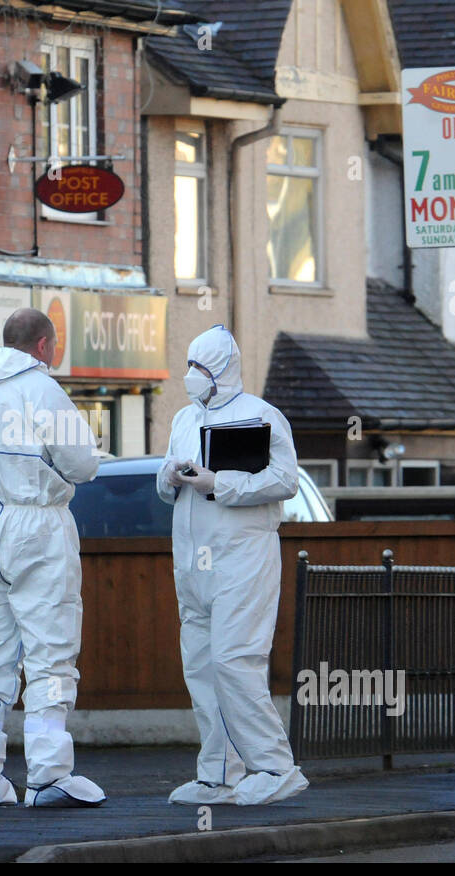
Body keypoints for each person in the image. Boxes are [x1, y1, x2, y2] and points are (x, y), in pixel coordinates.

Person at [0, 308, 105, 807]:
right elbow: (84, 465)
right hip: (35, 524)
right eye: (53, 348)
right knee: (49, 650)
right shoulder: (42, 390)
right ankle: (49, 774)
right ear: (42, 346)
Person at [155, 324, 309, 806]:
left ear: (222, 369)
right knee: (200, 664)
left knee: (235, 660)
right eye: (189, 366)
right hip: (192, 561)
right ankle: (218, 772)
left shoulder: (261, 416)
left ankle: (274, 766)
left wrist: (219, 482)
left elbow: (286, 480)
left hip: (243, 557)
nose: (191, 375)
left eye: (200, 367)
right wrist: (171, 477)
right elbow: (166, 487)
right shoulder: (183, 418)